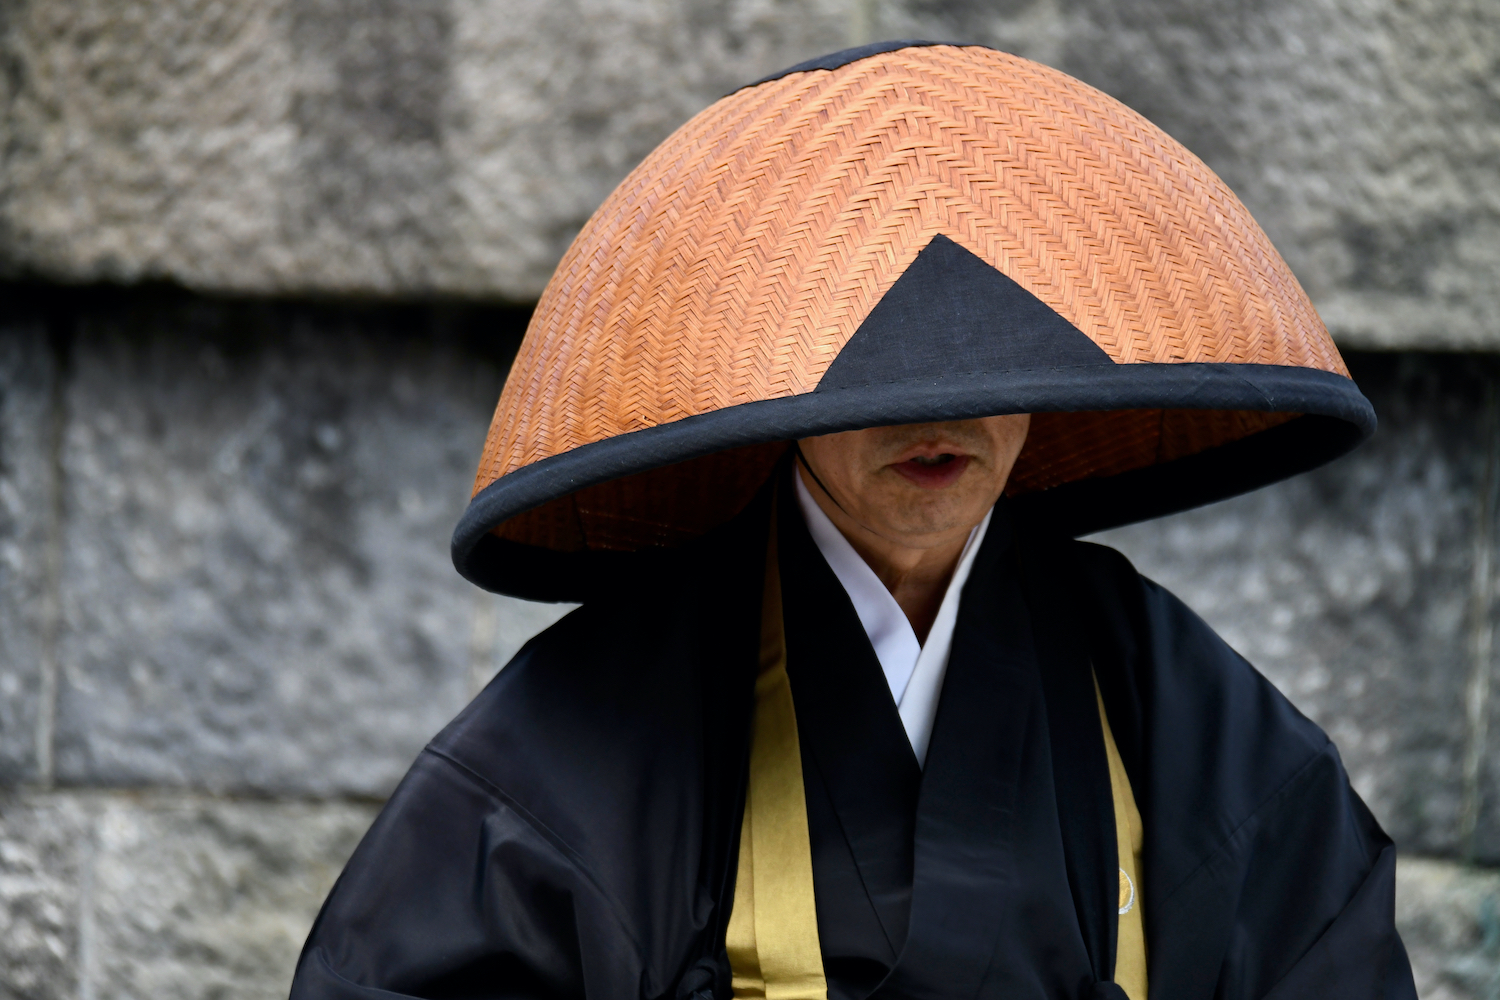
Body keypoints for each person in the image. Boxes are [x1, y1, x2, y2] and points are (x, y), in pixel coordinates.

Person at [291, 42, 1416, 1000]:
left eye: (990, 364)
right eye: (885, 382)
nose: (943, 415)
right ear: (784, 395)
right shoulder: (598, 726)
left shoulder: (1159, 695)